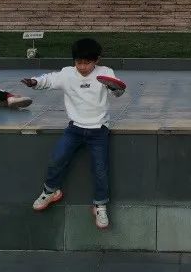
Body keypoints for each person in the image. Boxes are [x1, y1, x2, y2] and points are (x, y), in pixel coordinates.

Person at [23, 37, 124, 230]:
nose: (83, 67)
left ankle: (100, 205)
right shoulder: (67, 74)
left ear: (97, 60)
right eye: (79, 62)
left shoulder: (105, 73)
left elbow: (117, 90)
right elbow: (49, 80)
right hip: (75, 128)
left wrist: (114, 87)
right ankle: (50, 191)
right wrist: (34, 82)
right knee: (57, 158)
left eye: (87, 63)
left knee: (100, 170)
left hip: (99, 130)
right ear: (74, 61)